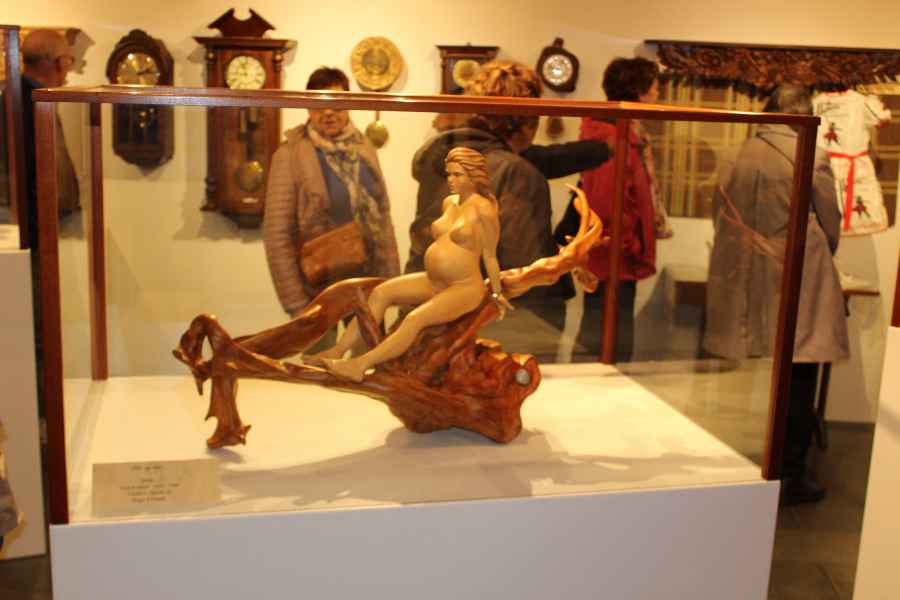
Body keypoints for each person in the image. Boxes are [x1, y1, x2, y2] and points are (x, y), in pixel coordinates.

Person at [406, 60, 612, 358]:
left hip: (433, 322)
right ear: (526, 123)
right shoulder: (517, 173)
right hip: (496, 336)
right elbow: (525, 275)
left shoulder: (446, 160)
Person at [703, 84, 849, 505]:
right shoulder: (812, 155)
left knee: (745, 371)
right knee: (798, 370)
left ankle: (739, 458)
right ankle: (790, 472)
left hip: (744, 273)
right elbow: (829, 219)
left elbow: (719, 213)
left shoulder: (735, 154)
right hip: (799, 273)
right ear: (804, 115)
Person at [320, 147, 511, 382]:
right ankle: (337, 351)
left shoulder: (484, 208)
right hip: (435, 281)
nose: (451, 180)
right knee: (381, 292)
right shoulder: (449, 202)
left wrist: (496, 293)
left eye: (457, 175)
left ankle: (359, 365)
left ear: (474, 175)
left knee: (414, 319)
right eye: (449, 174)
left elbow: (490, 255)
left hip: (464, 287)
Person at [263, 67, 400, 348]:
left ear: (349, 104)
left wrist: (391, 284)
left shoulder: (364, 149)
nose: (328, 113)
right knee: (318, 368)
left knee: (369, 364)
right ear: (307, 107)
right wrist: (296, 305)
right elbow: (277, 234)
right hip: (315, 293)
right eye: (318, 104)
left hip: (367, 287)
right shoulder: (290, 155)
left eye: (336, 104)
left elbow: (383, 219)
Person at [575, 57, 664, 362]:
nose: (657, 95)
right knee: (606, 333)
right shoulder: (613, 137)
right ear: (640, 91)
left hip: (616, 251)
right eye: (654, 88)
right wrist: (627, 244)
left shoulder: (619, 131)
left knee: (607, 328)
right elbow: (606, 200)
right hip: (613, 253)